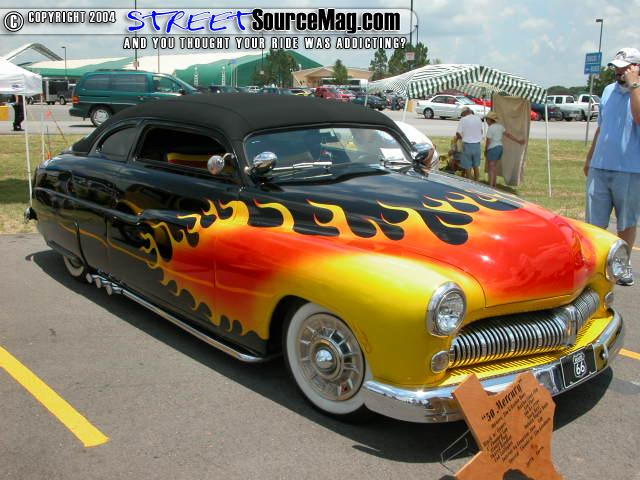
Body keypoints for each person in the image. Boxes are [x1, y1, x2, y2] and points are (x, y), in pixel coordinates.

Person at [584, 47, 640, 286]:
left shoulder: (637, 91)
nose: (619, 72)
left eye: (624, 68)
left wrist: (634, 85)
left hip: (629, 169)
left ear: (635, 68)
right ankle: (595, 265)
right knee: (594, 222)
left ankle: (623, 265)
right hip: (600, 165)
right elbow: (601, 127)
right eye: (616, 68)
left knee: (626, 221)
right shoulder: (608, 90)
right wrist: (590, 158)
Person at [484, 111, 525, 187]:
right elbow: (508, 135)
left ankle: (491, 185)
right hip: (500, 147)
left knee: (491, 168)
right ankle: (493, 184)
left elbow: (488, 141)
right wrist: (518, 141)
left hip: (493, 148)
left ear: (490, 119)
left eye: (487, 119)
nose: (486, 121)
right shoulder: (500, 126)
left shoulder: (491, 128)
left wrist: (485, 150)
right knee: (494, 167)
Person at [456, 107, 483, 181]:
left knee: (468, 167)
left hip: (467, 145)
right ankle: (477, 181)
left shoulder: (463, 120)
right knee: (476, 166)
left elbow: (458, 133)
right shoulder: (478, 118)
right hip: (477, 145)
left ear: (464, 113)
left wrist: (461, 138)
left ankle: (470, 182)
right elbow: (481, 131)